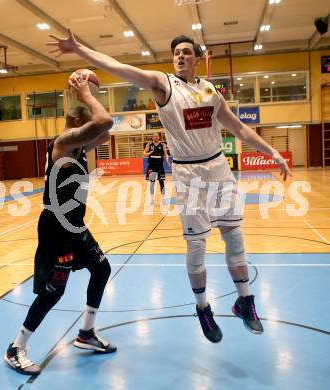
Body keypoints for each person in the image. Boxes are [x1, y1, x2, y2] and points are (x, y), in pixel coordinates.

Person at [47, 31, 291, 344]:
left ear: (197, 58)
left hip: (218, 168)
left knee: (235, 236)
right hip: (189, 174)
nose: (180, 56)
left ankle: (245, 300)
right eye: (176, 52)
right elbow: (119, 66)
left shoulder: (210, 91)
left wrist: (272, 153)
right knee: (197, 245)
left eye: (186, 52)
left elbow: (240, 128)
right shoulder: (164, 85)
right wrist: (77, 47)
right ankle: (202, 308)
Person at [4, 73, 116, 375]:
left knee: (102, 268)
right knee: (55, 291)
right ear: (80, 127)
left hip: (74, 224)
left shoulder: (78, 147)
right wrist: (87, 95)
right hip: (57, 227)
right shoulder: (63, 143)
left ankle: (86, 334)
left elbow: (105, 129)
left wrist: (90, 92)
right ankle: (16, 348)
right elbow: (104, 122)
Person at [143, 132, 170, 202]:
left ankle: (163, 198)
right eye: (154, 136)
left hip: (160, 166)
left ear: (159, 137)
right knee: (152, 183)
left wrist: (167, 160)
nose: (156, 137)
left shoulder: (163, 145)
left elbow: (166, 154)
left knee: (162, 182)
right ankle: (152, 198)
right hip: (152, 167)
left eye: (157, 136)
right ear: (152, 137)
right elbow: (144, 154)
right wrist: (149, 153)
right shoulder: (149, 145)